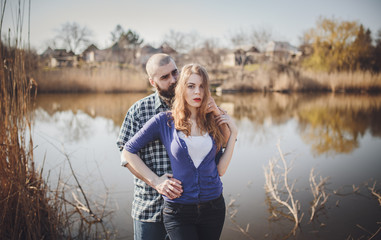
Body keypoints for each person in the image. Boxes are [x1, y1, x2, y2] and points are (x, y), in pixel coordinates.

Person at [116, 54, 228, 240]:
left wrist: (221, 118)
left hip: (193, 207)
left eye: (175, 73)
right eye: (165, 77)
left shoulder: (201, 106)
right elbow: (125, 154)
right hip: (150, 207)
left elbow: (220, 147)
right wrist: (156, 182)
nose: (173, 80)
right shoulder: (139, 111)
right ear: (153, 82)